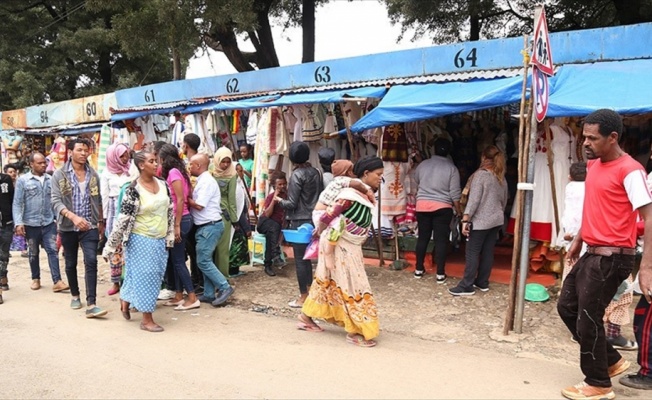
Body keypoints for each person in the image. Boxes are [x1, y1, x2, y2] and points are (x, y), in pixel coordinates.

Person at [556, 109, 652, 399]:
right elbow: (594, 208)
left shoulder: (630, 170)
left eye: (592, 138)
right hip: (592, 252)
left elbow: (649, 218)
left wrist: (646, 267)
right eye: (584, 136)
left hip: (613, 258)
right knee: (567, 307)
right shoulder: (595, 166)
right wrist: (579, 240)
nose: (585, 143)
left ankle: (597, 382)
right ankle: (610, 361)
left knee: (588, 318)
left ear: (612, 138)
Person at [299, 156, 384, 347]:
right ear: (366, 174)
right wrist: (322, 235)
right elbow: (330, 217)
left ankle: (305, 317)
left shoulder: (361, 195)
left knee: (326, 281)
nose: (380, 179)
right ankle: (355, 330)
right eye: (378, 175)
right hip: (339, 246)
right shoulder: (349, 194)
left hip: (346, 245)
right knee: (353, 285)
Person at [103, 151, 174, 332]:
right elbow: (122, 220)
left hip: (160, 239)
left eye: (156, 160)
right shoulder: (132, 190)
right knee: (147, 277)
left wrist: (171, 234)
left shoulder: (163, 185)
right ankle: (146, 319)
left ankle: (125, 298)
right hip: (140, 239)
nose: (156, 164)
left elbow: (170, 211)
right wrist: (110, 246)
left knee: (154, 274)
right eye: (151, 161)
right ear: (141, 166)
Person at [51, 138, 107, 318]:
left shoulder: (93, 174)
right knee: (70, 263)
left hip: (89, 226)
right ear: (70, 152)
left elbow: (98, 200)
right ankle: (75, 294)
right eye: (80, 150)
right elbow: (55, 201)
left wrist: (100, 222)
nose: (84, 153)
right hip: (68, 226)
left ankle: (92, 303)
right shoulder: (59, 175)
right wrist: (72, 217)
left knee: (91, 261)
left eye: (86, 150)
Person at [449, 145, 508, 296]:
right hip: (496, 219)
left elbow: (474, 200)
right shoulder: (500, 176)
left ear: (483, 157)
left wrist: (465, 219)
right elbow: (504, 199)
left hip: (481, 220)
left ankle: (467, 285)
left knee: (472, 252)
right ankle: (482, 282)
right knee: (488, 251)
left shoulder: (480, 176)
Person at [13, 152, 68, 292]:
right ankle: (35, 278)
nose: (44, 165)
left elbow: (56, 202)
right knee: (33, 252)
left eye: (44, 162)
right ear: (31, 164)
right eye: (40, 163)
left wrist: (59, 220)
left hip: (49, 222)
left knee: (52, 250)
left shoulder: (51, 180)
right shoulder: (23, 181)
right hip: (31, 223)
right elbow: (17, 203)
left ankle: (57, 281)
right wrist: (18, 222)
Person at [278, 142, 323, 308]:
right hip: (314, 218)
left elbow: (291, 203)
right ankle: (311, 292)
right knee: (309, 259)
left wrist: (278, 200)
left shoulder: (297, 175)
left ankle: (304, 295)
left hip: (299, 221)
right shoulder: (316, 172)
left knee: (300, 260)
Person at [187, 154, 235, 307]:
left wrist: (183, 198)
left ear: (199, 166)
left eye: (192, 164)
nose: (189, 167)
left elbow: (200, 205)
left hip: (210, 225)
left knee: (203, 260)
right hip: (206, 226)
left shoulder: (206, 181)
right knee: (205, 260)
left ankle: (224, 286)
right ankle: (208, 293)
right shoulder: (203, 180)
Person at [413, 138, 462, 282]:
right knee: (441, 240)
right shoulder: (452, 168)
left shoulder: (423, 165)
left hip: (422, 206)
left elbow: (417, 180)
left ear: (434, 149)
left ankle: (418, 269)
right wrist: (458, 210)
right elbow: (455, 193)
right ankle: (440, 273)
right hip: (442, 207)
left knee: (423, 238)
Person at [157, 144, 199, 310]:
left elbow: (180, 199)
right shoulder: (180, 171)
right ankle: (179, 295)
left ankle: (192, 297)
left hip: (180, 219)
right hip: (181, 218)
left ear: (165, 158)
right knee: (176, 259)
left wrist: (176, 225)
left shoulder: (174, 173)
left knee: (179, 261)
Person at [100, 143, 135, 296]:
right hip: (114, 210)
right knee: (115, 249)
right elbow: (104, 196)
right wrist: (104, 219)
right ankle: (115, 282)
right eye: (122, 155)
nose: (126, 157)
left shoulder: (132, 169)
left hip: (130, 209)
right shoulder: (106, 172)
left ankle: (128, 282)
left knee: (130, 249)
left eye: (127, 154)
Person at [212, 147, 244, 277]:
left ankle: (223, 278)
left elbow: (232, 200)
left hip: (223, 215)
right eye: (223, 162)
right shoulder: (210, 173)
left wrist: (234, 219)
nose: (225, 165)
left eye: (228, 162)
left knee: (222, 249)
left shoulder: (232, 175)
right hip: (210, 213)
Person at [257, 171, 287, 277]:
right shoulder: (270, 197)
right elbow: (268, 214)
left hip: (275, 227)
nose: (282, 186)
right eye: (279, 184)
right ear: (274, 185)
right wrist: (274, 199)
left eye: (284, 184)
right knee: (273, 226)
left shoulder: (287, 195)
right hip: (264, 223)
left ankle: (268, 264)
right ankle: (275, 255)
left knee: (272, 233)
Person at [6, 163, 27, 258]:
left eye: (14, 171)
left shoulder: (20, 183)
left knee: (21, 229)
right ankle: (6, 249)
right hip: (7, 212)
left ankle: (23, 249)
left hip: (19, 210)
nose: (13, 174)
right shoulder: (4, 184)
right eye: (10, 172)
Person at [0, 167, 14, 303]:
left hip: (6, 223)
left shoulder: (6, 179)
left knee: (4, 254)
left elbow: (12, 200)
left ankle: (3, 275)